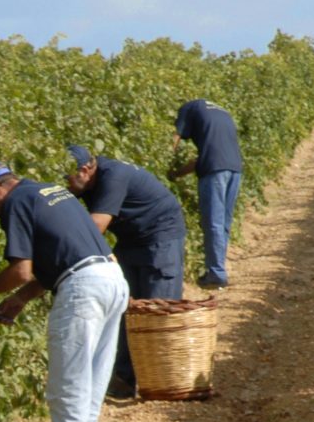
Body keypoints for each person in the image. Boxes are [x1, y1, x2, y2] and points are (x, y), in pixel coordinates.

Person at [0, 162, 129, 422]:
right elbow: (62, 256)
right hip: (112, 278)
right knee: (92, 383)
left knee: (68, 386)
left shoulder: (15, 202)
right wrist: (20, 299)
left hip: (83, 289)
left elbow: (21, 271)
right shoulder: (51, 191)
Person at [64, 144, 187, 399]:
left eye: (66, 178)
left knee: (156, 307)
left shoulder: (113, 176)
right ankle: (124, 379)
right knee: (123, 307)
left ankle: (164, 380)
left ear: (85, 170)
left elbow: (95, 227)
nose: (64, 185)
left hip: (160, 236)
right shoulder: (87, 183)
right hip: (131, 238)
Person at [168, 99, 244, 291]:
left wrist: (165, 160)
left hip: (214, 170)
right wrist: (177, 174)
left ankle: (216, 273)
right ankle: (218, 269)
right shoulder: (222, 112)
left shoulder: (187, 108)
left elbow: (175, 139)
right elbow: (207, 154)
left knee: (213, 221)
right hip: (235, 168)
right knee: (223, 223)